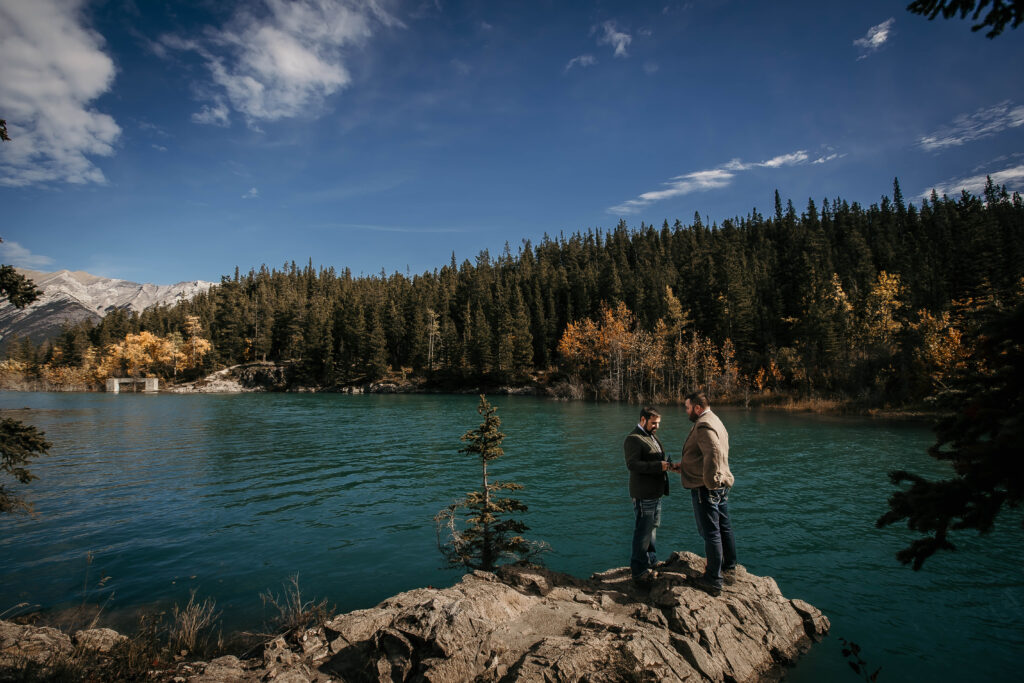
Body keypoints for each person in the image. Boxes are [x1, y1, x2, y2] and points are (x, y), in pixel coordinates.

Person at [679, 391, 736, 597]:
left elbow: (712, 451)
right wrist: (684, 466)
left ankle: (713, 579)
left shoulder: (703, 424)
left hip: (707, 486)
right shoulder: (716, 420)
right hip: (721, 484)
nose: (686, 412)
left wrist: (710, 481)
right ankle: (729, 567)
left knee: (711, 531)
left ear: (697, 408)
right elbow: (708, 454)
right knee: (724, 526)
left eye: (687, 407)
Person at [623, 407, 676, 586]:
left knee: (651, 528)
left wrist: (668, 466)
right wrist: (657, 466)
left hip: (655, 493)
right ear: (643, 420)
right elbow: (632, 465)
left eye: (658, 423)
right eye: (654, 423)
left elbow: (653, 459)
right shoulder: (633, 438)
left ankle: (651, 561)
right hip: (643, 494)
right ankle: (638, 571)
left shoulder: (650, 436)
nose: (657, 426)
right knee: (643, 532)